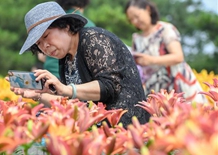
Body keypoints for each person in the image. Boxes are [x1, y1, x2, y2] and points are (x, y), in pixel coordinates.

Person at [11, 1, 150, 127]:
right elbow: (71, 103)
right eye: (38, 44)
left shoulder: (94, 39)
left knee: (44, 128)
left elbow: (110, 87)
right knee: (34, 123)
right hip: (94, 124)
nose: (44, 46)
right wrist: (38, 95)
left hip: (124, 127)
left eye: (46, 36)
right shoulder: (65, 58)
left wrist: (65, 89)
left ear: (65, 26)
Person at [124, 0, 207, 103]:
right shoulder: (136, 39)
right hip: (155, 90)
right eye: (131, 19)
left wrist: (150, 60)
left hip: (177, 84)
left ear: (147, 9)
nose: (135, 21)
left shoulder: (165, 29)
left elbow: (178, 57)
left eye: (137, 16)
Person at [40, 0, 95, 78]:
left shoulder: (55, 21)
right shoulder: (88, 24)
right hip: (63, 81)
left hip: (53, 77)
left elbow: (42, 57)